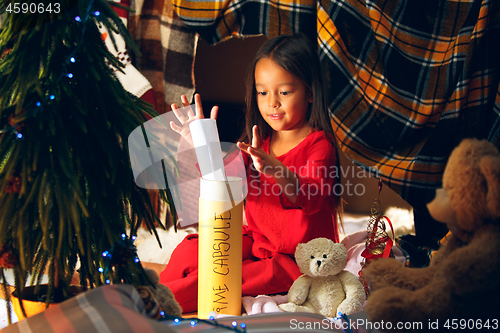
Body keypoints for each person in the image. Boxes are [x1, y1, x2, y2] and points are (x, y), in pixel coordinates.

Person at [160, 33, 343, 313]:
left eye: (284, 92)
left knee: (220, 280)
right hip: (257, 242)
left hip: (295, 260)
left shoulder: (319, 143)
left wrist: (277, 170)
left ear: (309, 92)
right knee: (190, 250)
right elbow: (221, 184)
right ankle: (154, 285)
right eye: (262, 92)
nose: (272, 102)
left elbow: (311, 196)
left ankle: (149, 302)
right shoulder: (261, 141)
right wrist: (197, 142)